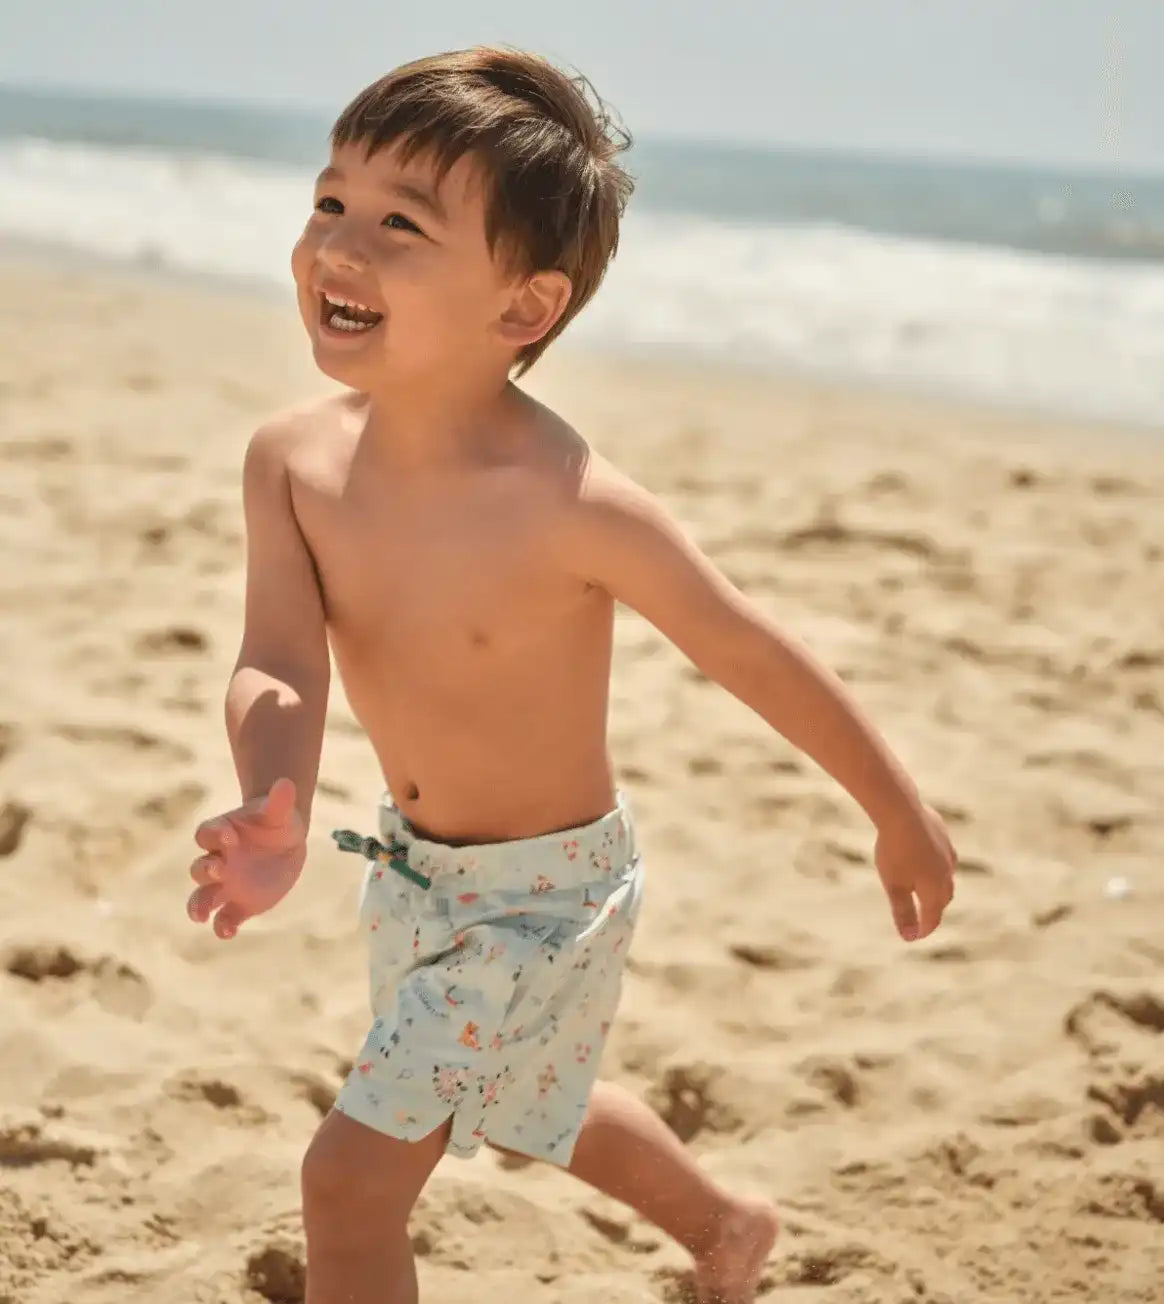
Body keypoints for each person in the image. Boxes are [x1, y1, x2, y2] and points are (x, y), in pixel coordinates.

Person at [185, 46, 957, 1304]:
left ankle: (715, 1218)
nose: (339, 245)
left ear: (524, 307)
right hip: (416, 869)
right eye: (329, 201)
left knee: (350, 1183)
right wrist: (277, 795)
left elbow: (744, 646)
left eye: (400, 225)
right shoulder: (290, 461)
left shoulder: (572, 503)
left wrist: (897, 809)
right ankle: (726, 1223)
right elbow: (278, 656)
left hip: (549, 894)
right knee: (522, 1095)